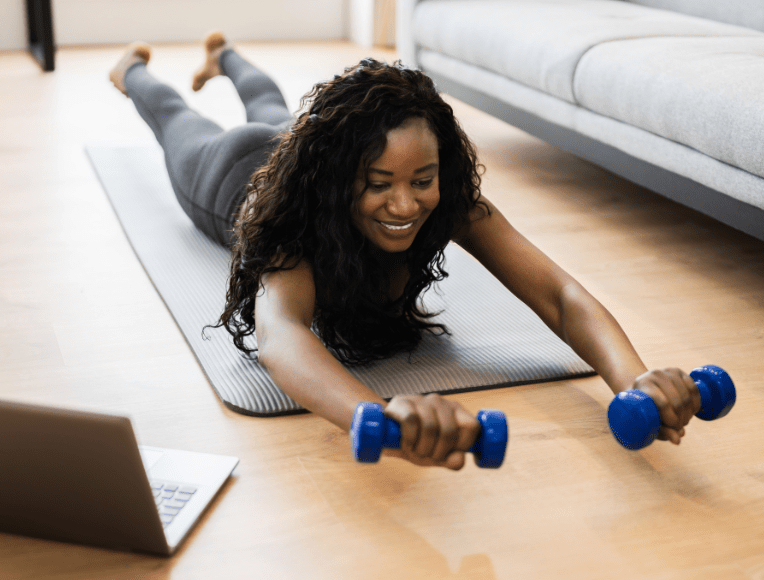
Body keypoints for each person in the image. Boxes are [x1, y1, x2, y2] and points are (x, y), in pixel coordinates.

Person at [109, 34, 702, 470]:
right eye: (377, 184)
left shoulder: (451, 204)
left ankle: (224, 56)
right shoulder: (294, 227)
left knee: (270, 106)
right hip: (232, 172)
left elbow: (561, 295)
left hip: (293, 147)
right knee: (174, 117)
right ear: (340, 178)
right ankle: (130, 68)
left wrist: (636, 382)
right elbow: (281, 333)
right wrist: (381, 418)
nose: (404, 205)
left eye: (422, 179)